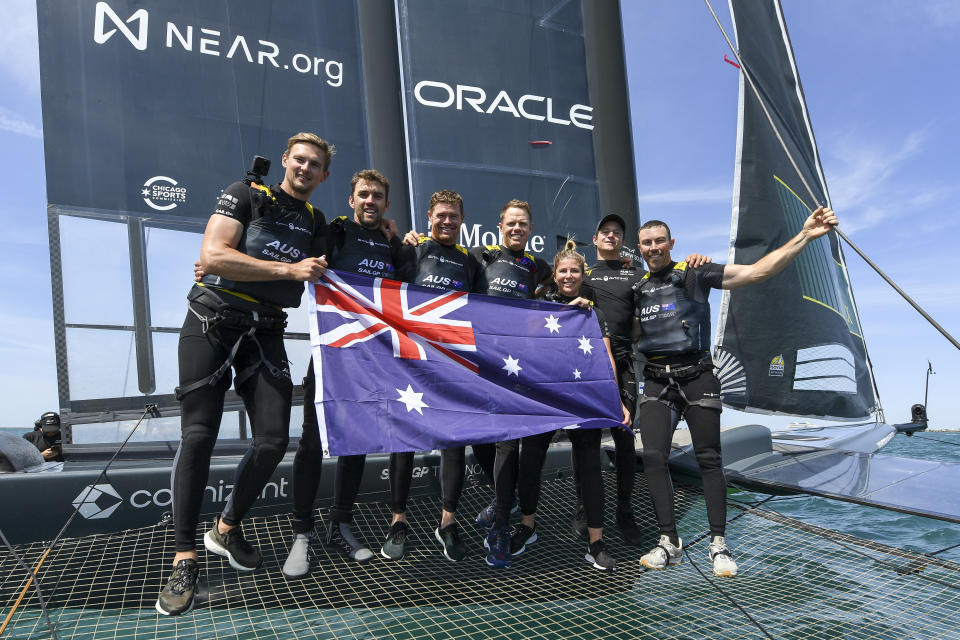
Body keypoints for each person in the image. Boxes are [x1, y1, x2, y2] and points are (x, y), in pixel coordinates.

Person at [156, 133, 333, 616]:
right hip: (211, 323)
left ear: (324, 175)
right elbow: (213, 257)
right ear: (285, 162)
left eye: (315, 164)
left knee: (274, 440)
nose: (305, 168)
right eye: (299, 159)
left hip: (265, 332)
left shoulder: (317, 221)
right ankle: (185, 557)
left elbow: (325, 272)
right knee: (199, 437)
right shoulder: (244, 193)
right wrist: (285, 270)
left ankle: (226, 529)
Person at [632, 207, 839, 578]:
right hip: (657, 381)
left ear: (671, 243)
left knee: (710, 459)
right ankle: (668, 541)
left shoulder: (696, 272)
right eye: (647, 243)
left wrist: (806, 235)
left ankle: (718, 544)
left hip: (697, 377)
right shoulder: (637, 288)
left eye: (659, 241)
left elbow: (758, 271)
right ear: (640, 248)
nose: (654, 247)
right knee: (652, 457)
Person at [284, 169, 415, 576]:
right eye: (363, 194)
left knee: (355, 440)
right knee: (310, 441)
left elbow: (412, 290)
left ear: (386, 204)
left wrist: (409, 241)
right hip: (331, 352)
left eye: (377, 195)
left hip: (372, 359)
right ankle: (301, 535)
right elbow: (292, 253)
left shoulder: (393, 244)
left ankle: (340, 524)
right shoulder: (334, 231)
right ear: (352, 199)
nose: (370, 201)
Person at [576, 214, 710, 545]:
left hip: (623, 365)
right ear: (594, 240)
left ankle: (625, 511)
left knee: (624, 439)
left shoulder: (637, 276)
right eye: (604, 232)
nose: (610, 236)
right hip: (585, 367)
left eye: (616, 233)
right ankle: (583, 511)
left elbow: (667, 282)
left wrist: (695, 262)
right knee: (586, 443)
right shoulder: (582, 275)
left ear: (624, 241)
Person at [505, 240, 630, 571]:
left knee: (590, 467)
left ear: (582, 273)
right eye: (563, 270)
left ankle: (596, 542)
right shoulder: (541, 305)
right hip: (545, 397)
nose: (569, 275)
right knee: (530, 461)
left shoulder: (593, 312)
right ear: (555, 275)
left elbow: (606, 357)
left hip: (582, 397)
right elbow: (527, 333)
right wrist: (562, 309)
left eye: (575, 270)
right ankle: (528, 526)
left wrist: (615, 399)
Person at [379, 189, 490, 562]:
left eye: (453, 216)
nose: (447, 221)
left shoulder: (471, 262)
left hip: (452, 362)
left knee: (454, 441)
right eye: (440, 215)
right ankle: (398, 520)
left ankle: (447, 522)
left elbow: (484, 312)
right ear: (429, 216)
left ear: (462, 220)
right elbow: (376, 285)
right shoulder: (412, 250)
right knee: (403, 439)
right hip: (410, 359)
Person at [468, 200, 554, 568]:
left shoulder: (537, 266)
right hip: (482, 359)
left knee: (507, 442)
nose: (517, 228)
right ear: (500, 225)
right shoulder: (481, 257)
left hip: (519, 364)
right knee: (479, 439)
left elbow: (558, 285)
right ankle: (507, 500)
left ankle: (501, 524)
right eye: (511, 223)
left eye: (523, 224)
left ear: (530, 229)